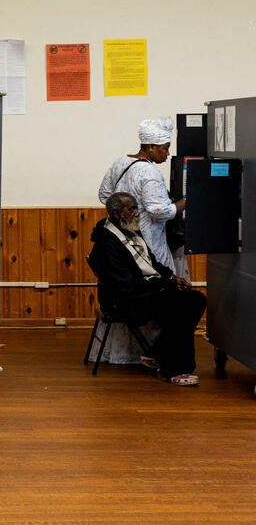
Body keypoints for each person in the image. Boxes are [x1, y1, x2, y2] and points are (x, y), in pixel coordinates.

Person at [89, 193, 206, 386]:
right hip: (124, 301)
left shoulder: (129, 229)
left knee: (196, 299)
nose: (137, 213)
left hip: (145, 290)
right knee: (182, 306)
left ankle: (158, 353)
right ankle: (173, 370)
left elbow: (150, 262)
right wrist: (166, 284)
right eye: (132, 209)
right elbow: (125, 286)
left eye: (136, 208)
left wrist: (171, 276)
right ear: (117, 214)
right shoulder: (106, 243)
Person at [95, 116, 187, 364]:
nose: (168, 153)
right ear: (150, 147)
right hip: (148, 241)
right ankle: (154, 352)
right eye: (165, 148)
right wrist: (183, 204)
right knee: (158, 285)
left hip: (123, 237)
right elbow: (159, 211)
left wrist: (123, 209)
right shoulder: (149, 173)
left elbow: (105, 194)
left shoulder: (120, 162)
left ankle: (126, 354)